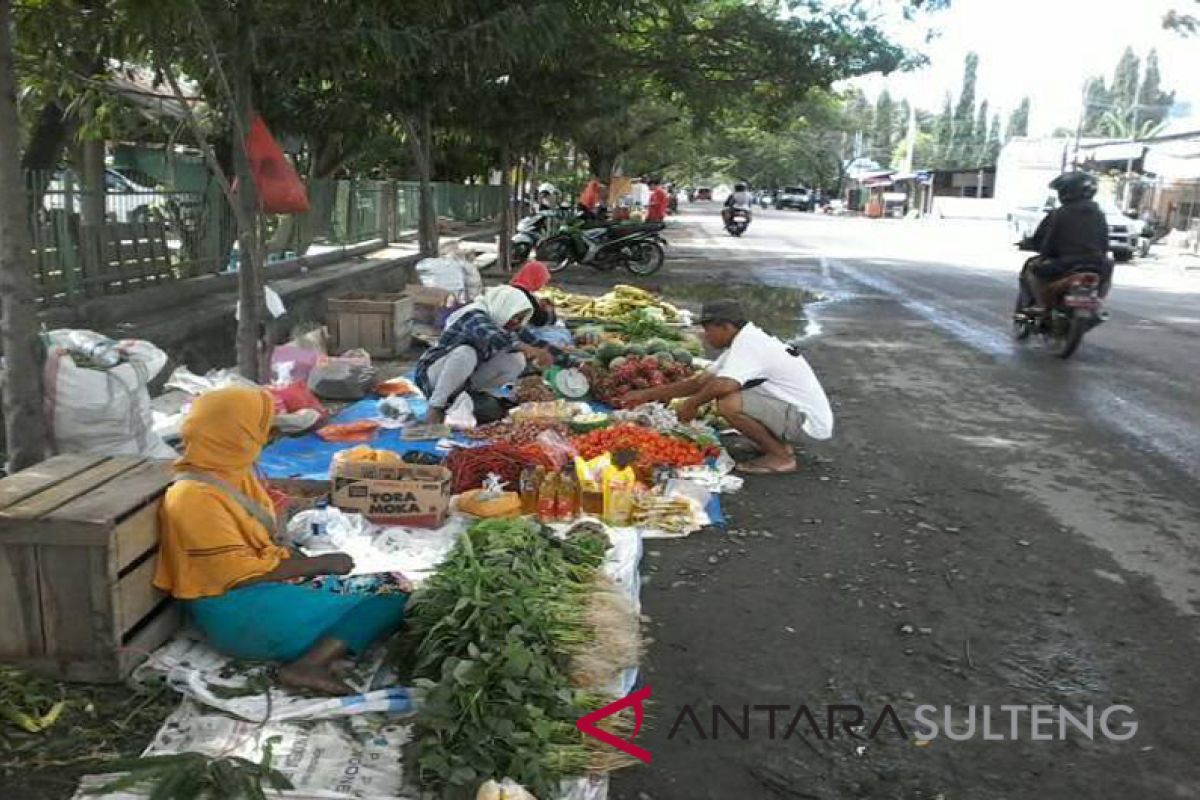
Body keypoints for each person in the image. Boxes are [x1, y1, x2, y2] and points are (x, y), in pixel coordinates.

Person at [154, 387, 410, 695]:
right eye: (259, 430)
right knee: (390, 594)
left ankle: (319, 640)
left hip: (259, 593)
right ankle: (308, 666)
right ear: (234, 434)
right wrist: (317, 564)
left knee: (388, 581)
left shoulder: (230, 474)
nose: (266, 438)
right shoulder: (192, 497)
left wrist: (302, 560)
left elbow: (260, 539)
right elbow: (232, 574)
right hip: (243, 615)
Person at [622, 299, 833, 475]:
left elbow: (723, 386)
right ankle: (777, 445)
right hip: (794, 415)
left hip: (807, 424)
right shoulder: (741, 342)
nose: (705, 336)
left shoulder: (750, 343)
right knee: (726, 393)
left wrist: (691, 405)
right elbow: (699, 382)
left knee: (728, 402)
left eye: (707, 329)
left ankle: (781, 458)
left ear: (725, 326)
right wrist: (647, 394)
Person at [416, 285, 552, 424]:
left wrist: (571, 362)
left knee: (516, 360)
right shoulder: (474, 314)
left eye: (520, 319)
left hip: (466, 378)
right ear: (505, 308)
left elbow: (538, 344)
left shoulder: (507, 323)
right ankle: (435, 407)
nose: (516, 322)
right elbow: (493, 337)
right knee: (467, 353)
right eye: (515, 317)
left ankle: (467, 398)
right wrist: (524, 347)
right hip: (436, 376)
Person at [1017, 172, 1112, 315]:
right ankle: (1098, 302)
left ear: (1067, 191)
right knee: (1108, 267)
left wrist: (1041, 255)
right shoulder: (1099, 214)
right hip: (1097, 264)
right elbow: (1105, 242)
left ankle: (1041, 305)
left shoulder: (1059, 213)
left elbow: (1048, 241)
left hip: (1064, 264)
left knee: (1031, 268)